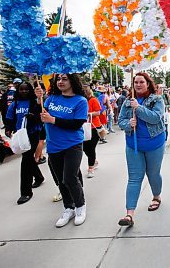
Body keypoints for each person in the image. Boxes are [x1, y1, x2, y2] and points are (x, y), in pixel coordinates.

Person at [117, 72, 166, 227]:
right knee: (134, 178)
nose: (138, 85)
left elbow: (155, 117)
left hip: (154, 144)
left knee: (153, 174)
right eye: (135, 82)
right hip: (133, 145)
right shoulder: (127, 101)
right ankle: (129, 215)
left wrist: (138, 109)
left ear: (148, 83)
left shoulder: (157, 99)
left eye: (141, 82)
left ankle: (156, 197)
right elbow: (121, 121)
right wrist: (128, 124)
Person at [40, 74, 88, 227]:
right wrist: (38, 100)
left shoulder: (81, 101)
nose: (60, 82)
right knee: (60, 180)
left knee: (69, 177)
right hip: (53, 145)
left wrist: (53, 120)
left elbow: (76, 124)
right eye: (59, 79)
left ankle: (80, 206)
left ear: (73, 81)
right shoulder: (51, 98)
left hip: (72, 145)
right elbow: (43, 116)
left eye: (64, 79)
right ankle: (68, 208)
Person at [6, 81, 45, 205]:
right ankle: (39, 177)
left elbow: (41, 113)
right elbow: (10, 118)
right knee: (27, 158)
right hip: (20, 135)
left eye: (26, 89)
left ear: (30, 90)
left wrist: (35, 111)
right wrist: (8, 128)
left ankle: (26, 192)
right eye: (21, 89)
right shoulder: (15, 103)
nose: (23, 91)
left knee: (26, 160)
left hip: (33, 133)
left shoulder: (34, 101)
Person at [83, 85, 101, 178]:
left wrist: (88, 114)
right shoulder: (80, 100)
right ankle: (93, 161)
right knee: (84, 148)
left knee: (90, 148)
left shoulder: (93, 100)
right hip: (83, 127)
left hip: (94, 127)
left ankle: (91, 168)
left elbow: (98, 112)